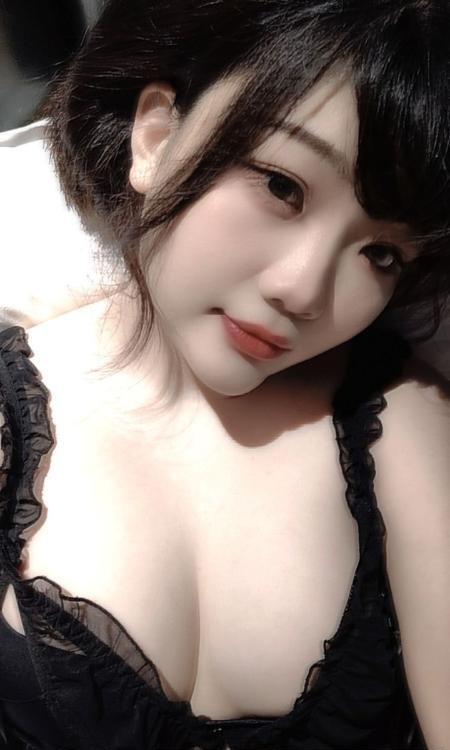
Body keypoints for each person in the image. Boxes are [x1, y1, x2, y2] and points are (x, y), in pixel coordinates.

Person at [0, 1, 449, 749]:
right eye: (281, 186)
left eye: (380, 254)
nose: (303, 291)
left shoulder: (400, 425)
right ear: (156, 137)